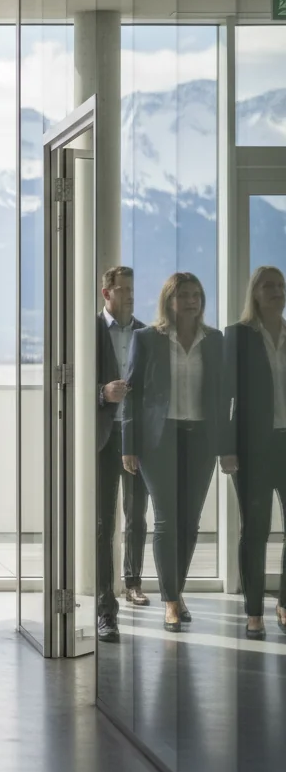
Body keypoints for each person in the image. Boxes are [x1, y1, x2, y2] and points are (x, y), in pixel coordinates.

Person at [123, 272, 225, 634]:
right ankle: (170, 603)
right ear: (169, 300)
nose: (192, 301)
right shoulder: (147, 338)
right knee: (167, 520)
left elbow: (222, 395)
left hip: (201, 439)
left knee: (190, 522)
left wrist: (227, 445)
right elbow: (132, 393)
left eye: (196, 295)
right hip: (158, 439)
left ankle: (175, 591)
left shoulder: (215, 340)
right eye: (184, 295)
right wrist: (129, 446)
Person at [222, 266, 286, 641]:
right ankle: (254, 611)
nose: (277, 291)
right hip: (253, 449)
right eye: (269, 286)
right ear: (255, 293)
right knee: (256, 530)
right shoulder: (238, 336)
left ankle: (284, 602)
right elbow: (225, 396)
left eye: (281, 285)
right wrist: (226, 449)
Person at [94, 266, 149, 644]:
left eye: (132, 289)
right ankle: (105, 610)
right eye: (123, 289)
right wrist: (102, 392)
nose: (129, 295)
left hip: (137, 437)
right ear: (106, 293)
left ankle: (133, 582)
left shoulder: (146, 333)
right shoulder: (89, 330)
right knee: (103, 523)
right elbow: (71, 380)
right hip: (103, 437)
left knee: (137, 515)